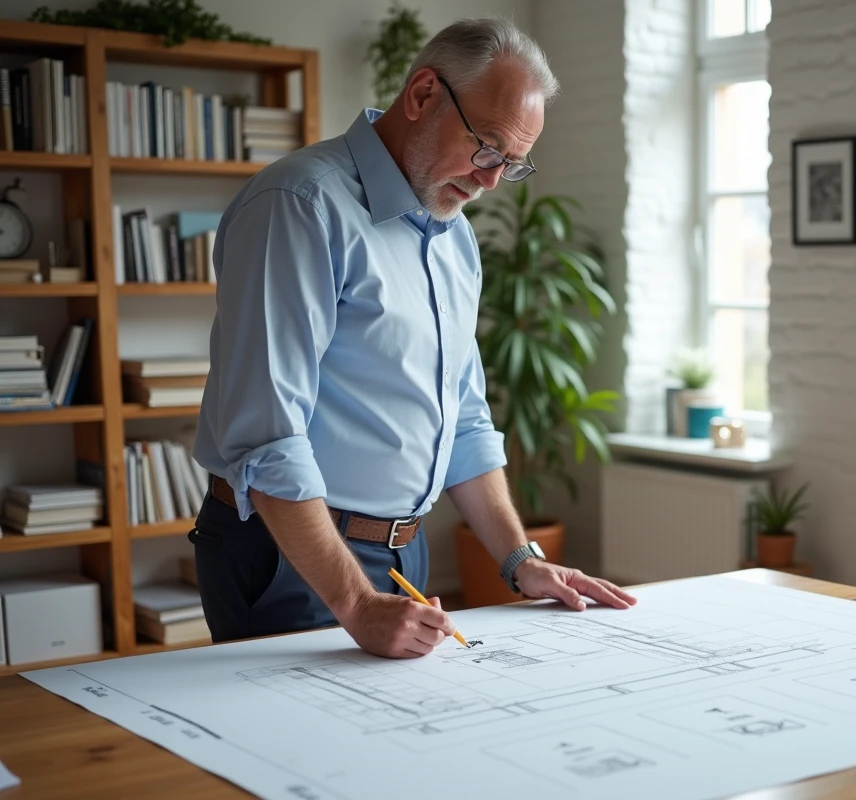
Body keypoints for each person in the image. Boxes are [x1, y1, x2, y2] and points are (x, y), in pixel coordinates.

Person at [190, 17, 636, 659]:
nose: (489, 180)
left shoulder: (454, 235)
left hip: (401, 554)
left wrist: (521, 559)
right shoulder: (299, 205)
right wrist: (356, 602)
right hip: (291, 553)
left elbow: (464, 420)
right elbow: (267, 437)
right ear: (424, 93)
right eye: (487, 147)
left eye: (510, 165)